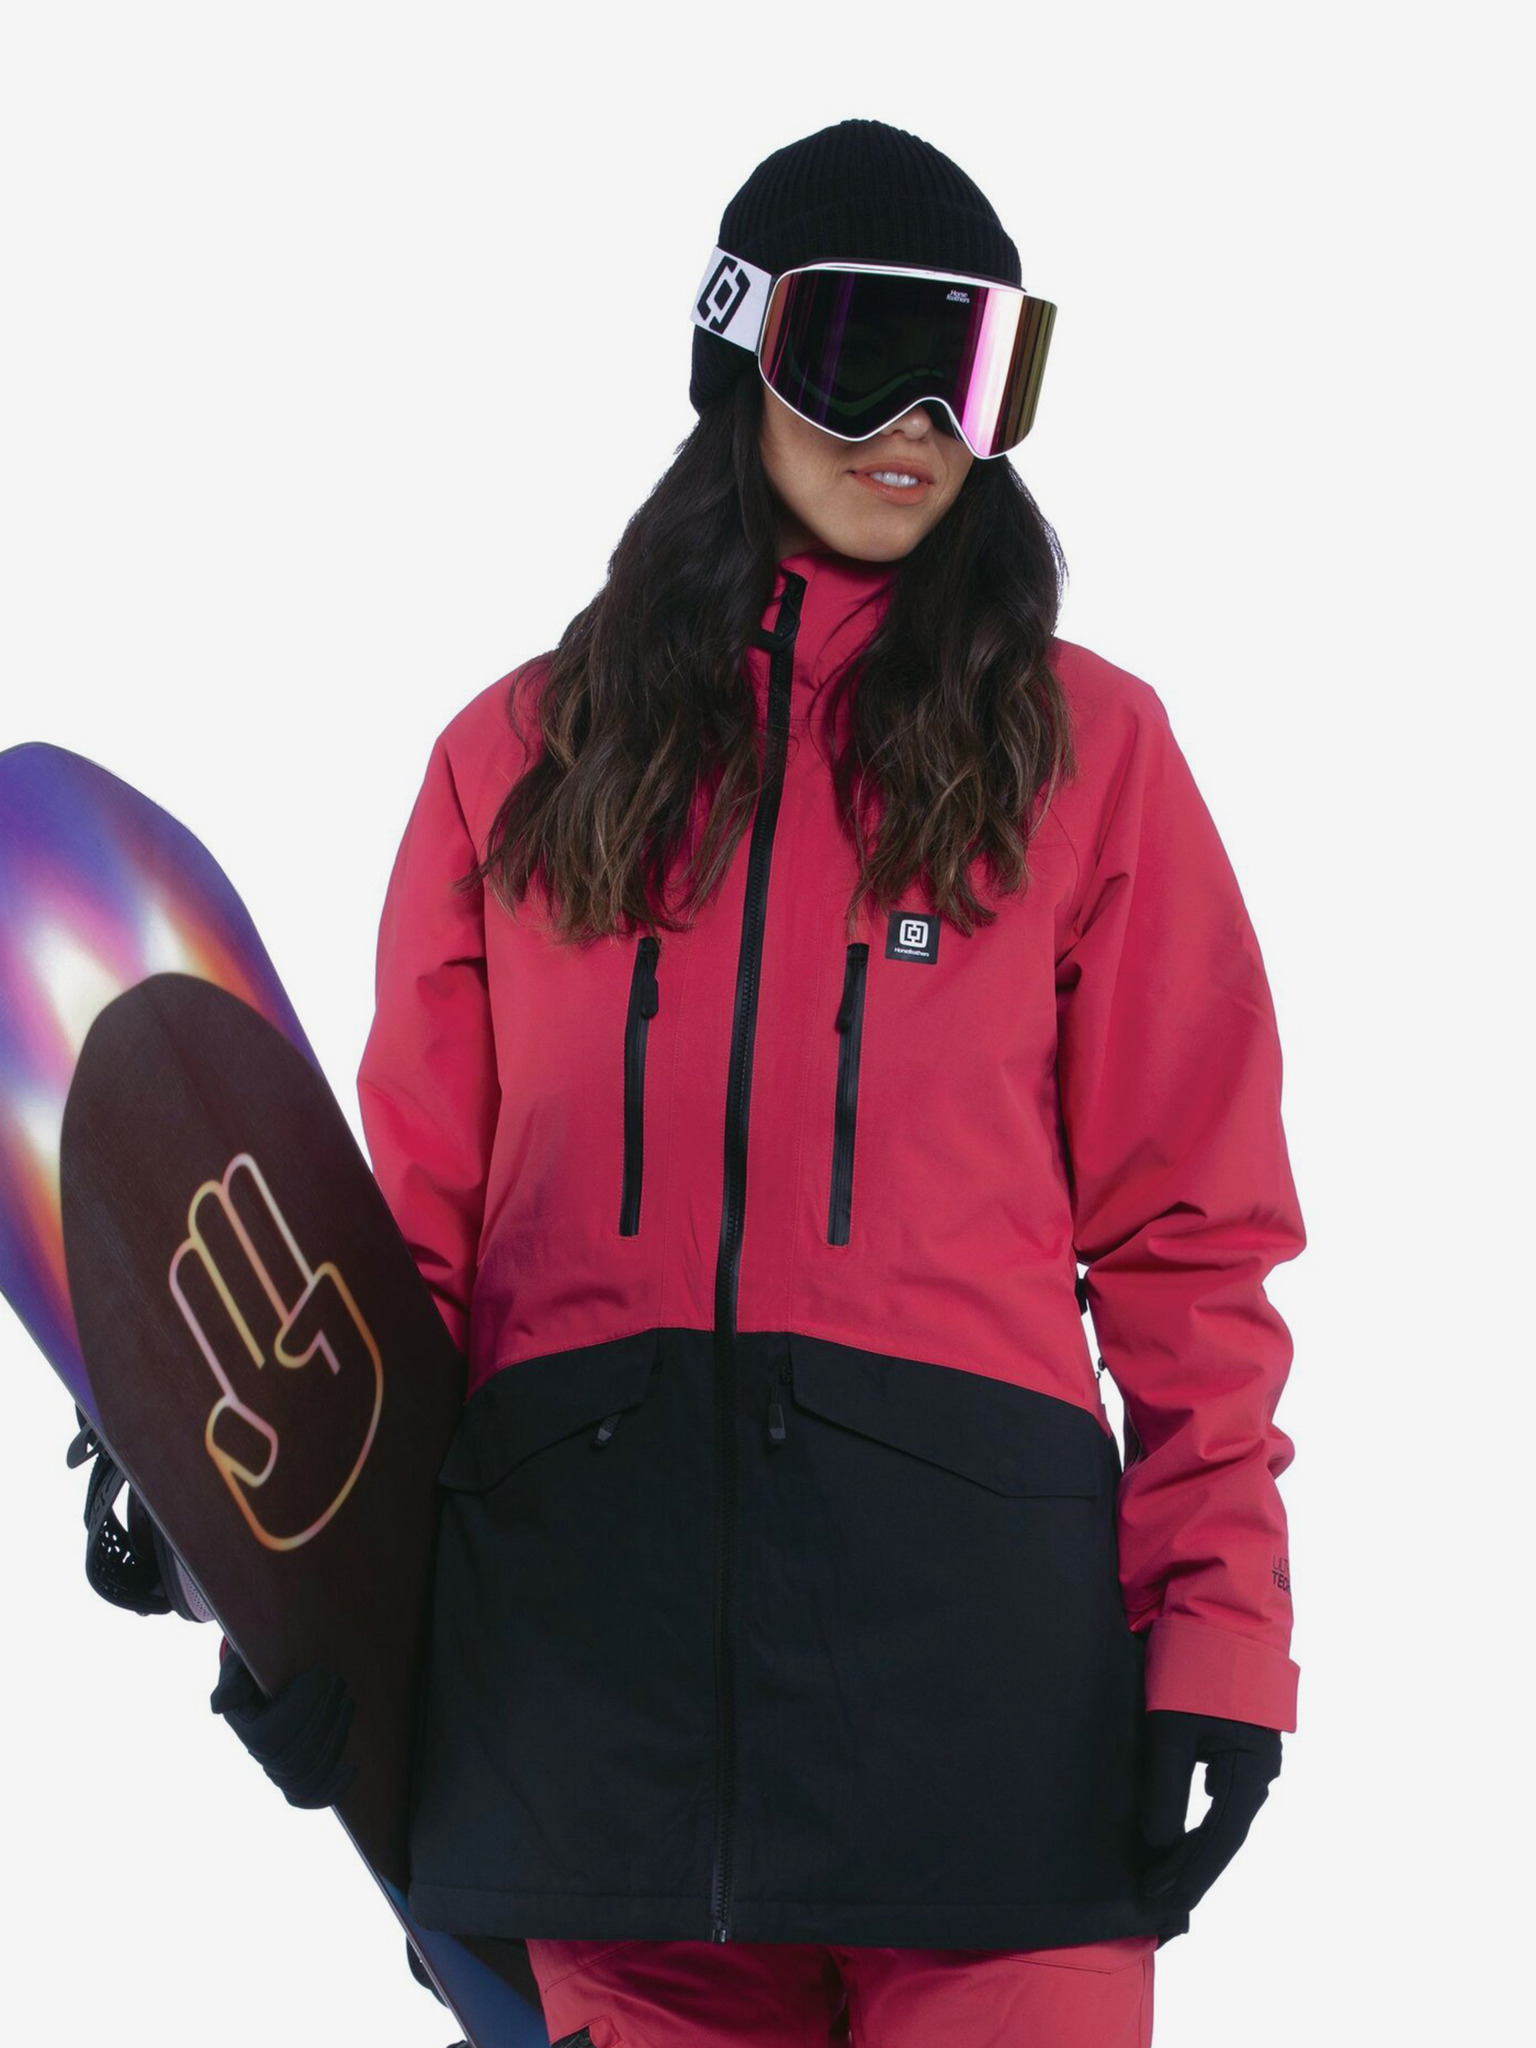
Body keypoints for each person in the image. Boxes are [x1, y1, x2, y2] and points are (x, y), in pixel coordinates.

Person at [212, 118, 1306, 2048]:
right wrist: (275, 1576)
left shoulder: (1090, 755)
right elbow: (418, 1271)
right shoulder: (513, 764)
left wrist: (1220, 1640)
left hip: (988, 1733)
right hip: (591, 1744)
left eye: (978, 368)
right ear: (739, 345)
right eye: (871, 351)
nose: (923, 424)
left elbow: (1191, 1244)